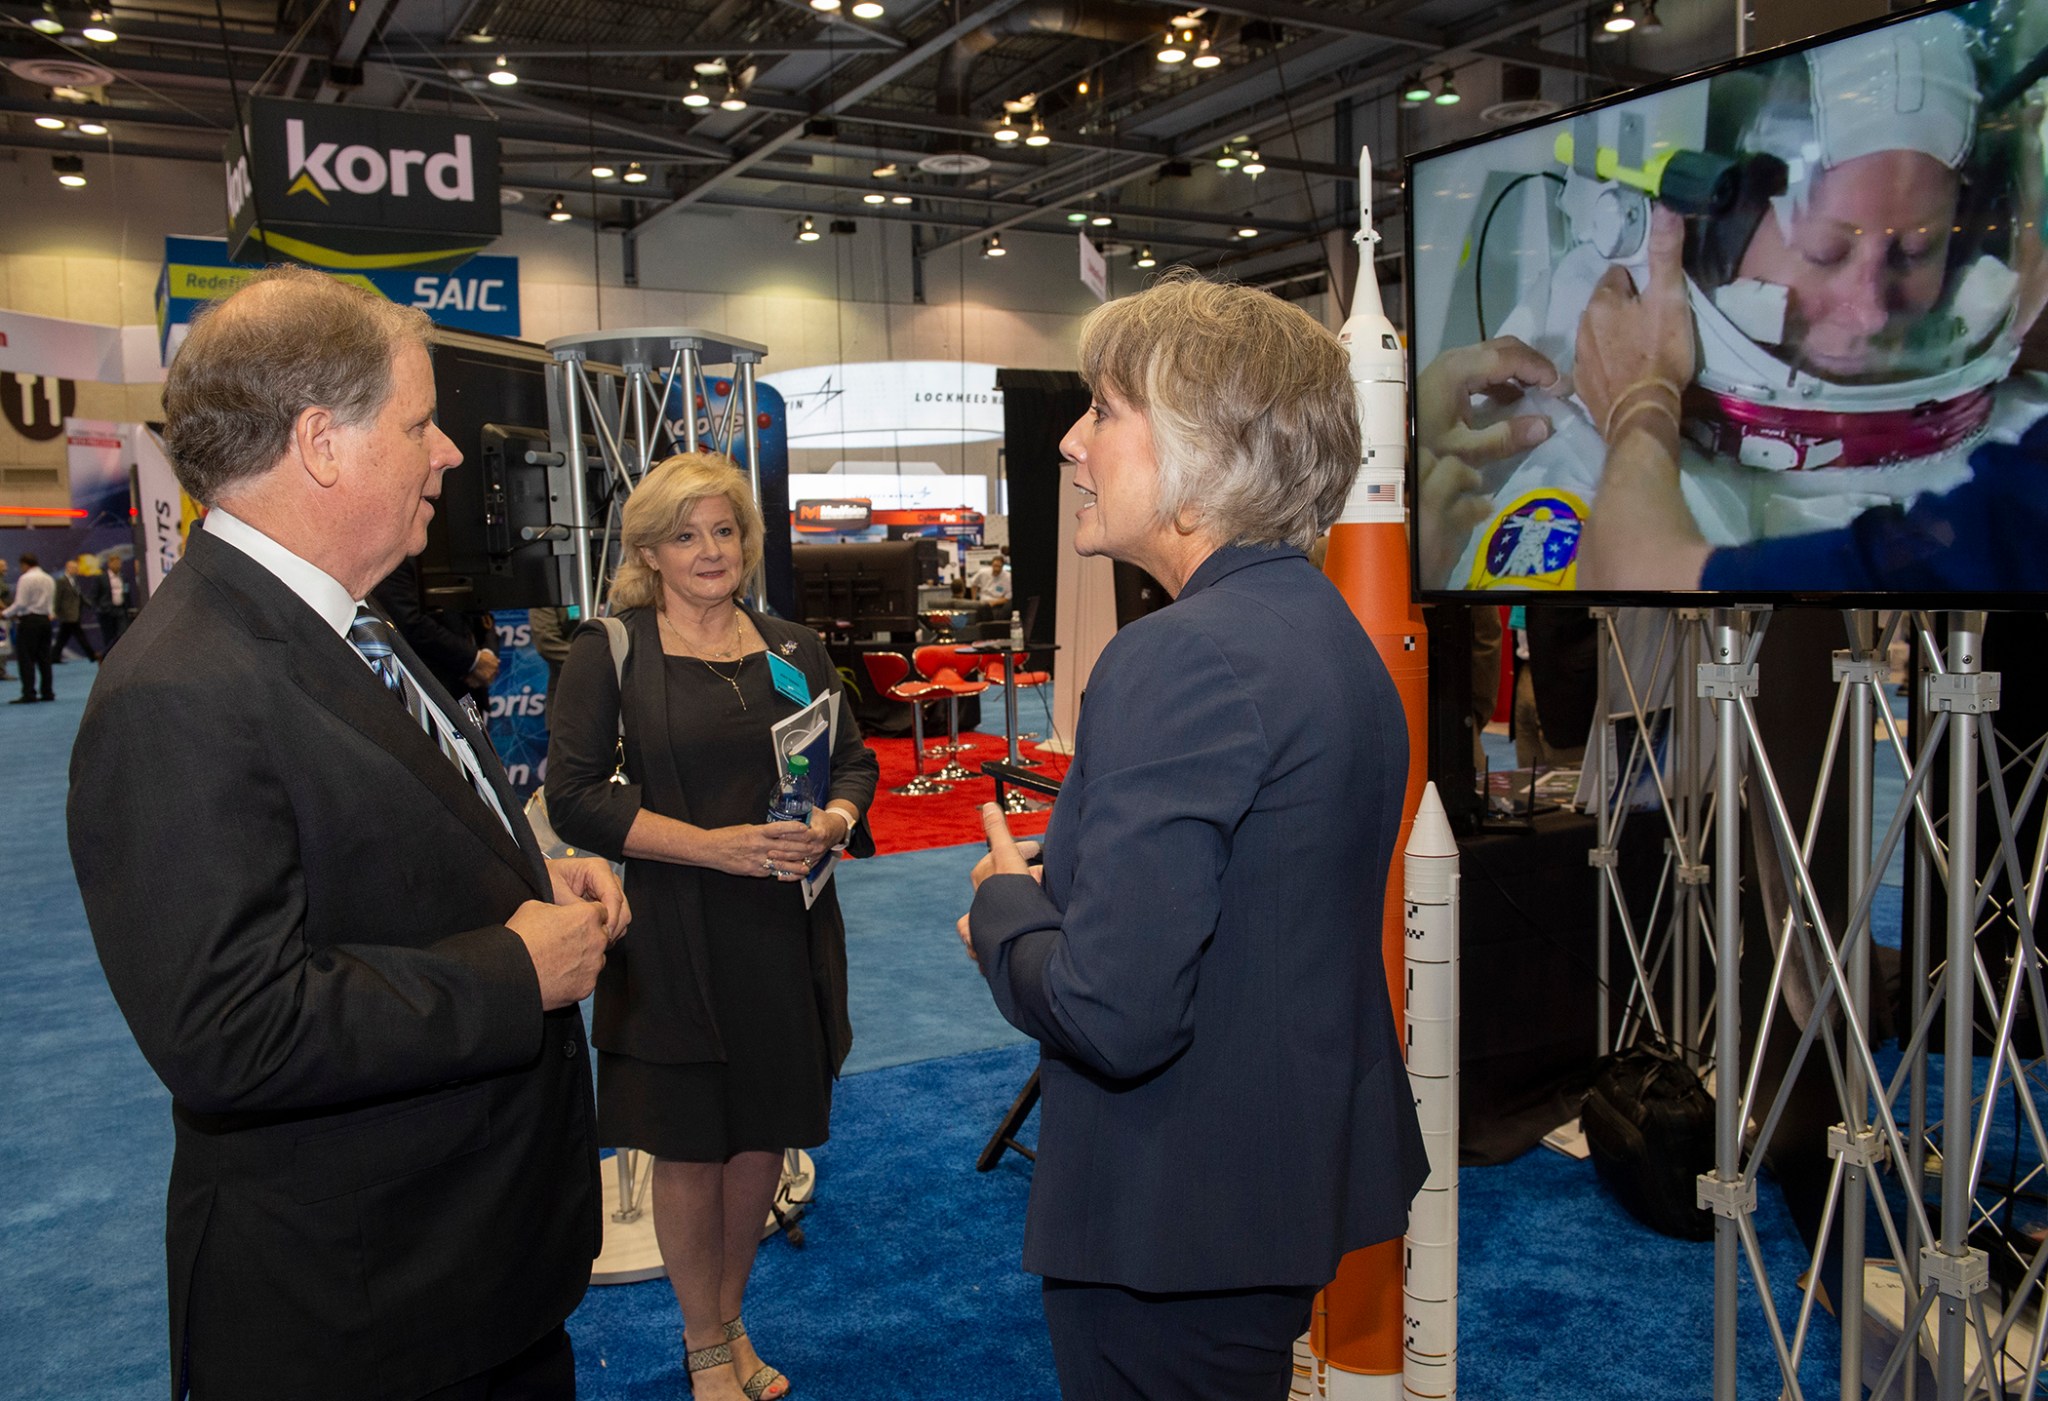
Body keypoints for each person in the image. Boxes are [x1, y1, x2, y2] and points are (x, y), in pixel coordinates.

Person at [66, 265, 629, 1401]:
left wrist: (522, 880)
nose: (449, 454)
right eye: (421, 424)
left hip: (463, 1282)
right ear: (322, 442)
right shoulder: (181, 686)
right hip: (359, 1321)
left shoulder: (339, 624)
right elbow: (230, 1030)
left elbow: (370, 858)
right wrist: (510, 970)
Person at [958, 272, 1428, 1401]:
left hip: (1175, 1214)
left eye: (1104, 410)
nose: (1071, 443)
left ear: (1205, 447)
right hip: (1259, 1186)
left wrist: (1000, 911)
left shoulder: (1182, 654)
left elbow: (1114, 1015)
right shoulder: (1317, 627)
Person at [1417, 12, 2048, 591]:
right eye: (1826, 252)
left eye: (1917, 251)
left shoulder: (2019, 444)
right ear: (1685, 239)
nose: (1871, 311)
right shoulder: (1550, 453)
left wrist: (1644, 408)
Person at [544, 452, 879, 1401]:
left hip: (785, 933)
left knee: (762, 1138)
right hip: (672, 935)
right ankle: (701, 1343)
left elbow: (852, 764)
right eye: (686, 534)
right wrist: (713, 847)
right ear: (649, 551)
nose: (710, 550)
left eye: (725, 530)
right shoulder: (609, 648)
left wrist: (833, 823)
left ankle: (732, 1318)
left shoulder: (794, 647)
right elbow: (572, 798)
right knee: (690, 1147)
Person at [4, 552, 55, 703]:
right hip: (45, 621)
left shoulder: (26, 578)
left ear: (25, 564)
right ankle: (47, 692)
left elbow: (21, 603)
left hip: (29, 621)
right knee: (45, 658)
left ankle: (29, 693)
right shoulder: (48, 578)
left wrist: (5, 614)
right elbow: (51, 603)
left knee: (26, 659)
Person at [51, 558, 99, 662]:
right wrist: (55, 611)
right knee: (79, 636)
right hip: (68, 615)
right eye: (74, 568)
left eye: (77, 568)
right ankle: (91, 655)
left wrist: (90, 605)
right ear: (68, 568)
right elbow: (57, 598)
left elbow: (79, 596)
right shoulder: (61, 581)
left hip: (75, 613)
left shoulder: (74, 580)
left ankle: (54, 657)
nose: (76, 570)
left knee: (62, 638)